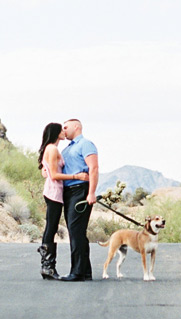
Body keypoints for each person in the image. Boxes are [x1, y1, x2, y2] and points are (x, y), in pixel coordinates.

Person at [37, 122, 89, 280]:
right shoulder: (52, 149)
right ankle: (47, 267)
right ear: (55, 132)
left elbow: (47, 170)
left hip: (57, 192)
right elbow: (54, 175)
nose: (64, 132)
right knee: (51, 227)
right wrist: (76, 176)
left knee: (51, 227)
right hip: (53, 192)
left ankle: (48, 267)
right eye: (62, 129)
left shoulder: (54, 149)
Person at [57, 118, 99, 282]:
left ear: (76, 127)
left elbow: (93, 168)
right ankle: (84, 271)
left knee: (76, 231)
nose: (64, 130)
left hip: (80, 190)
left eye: (65, 127)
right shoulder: (67, 149)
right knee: (75, 231)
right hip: (68, 191)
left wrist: (91, 192)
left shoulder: (86, 144)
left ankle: (77, 272)